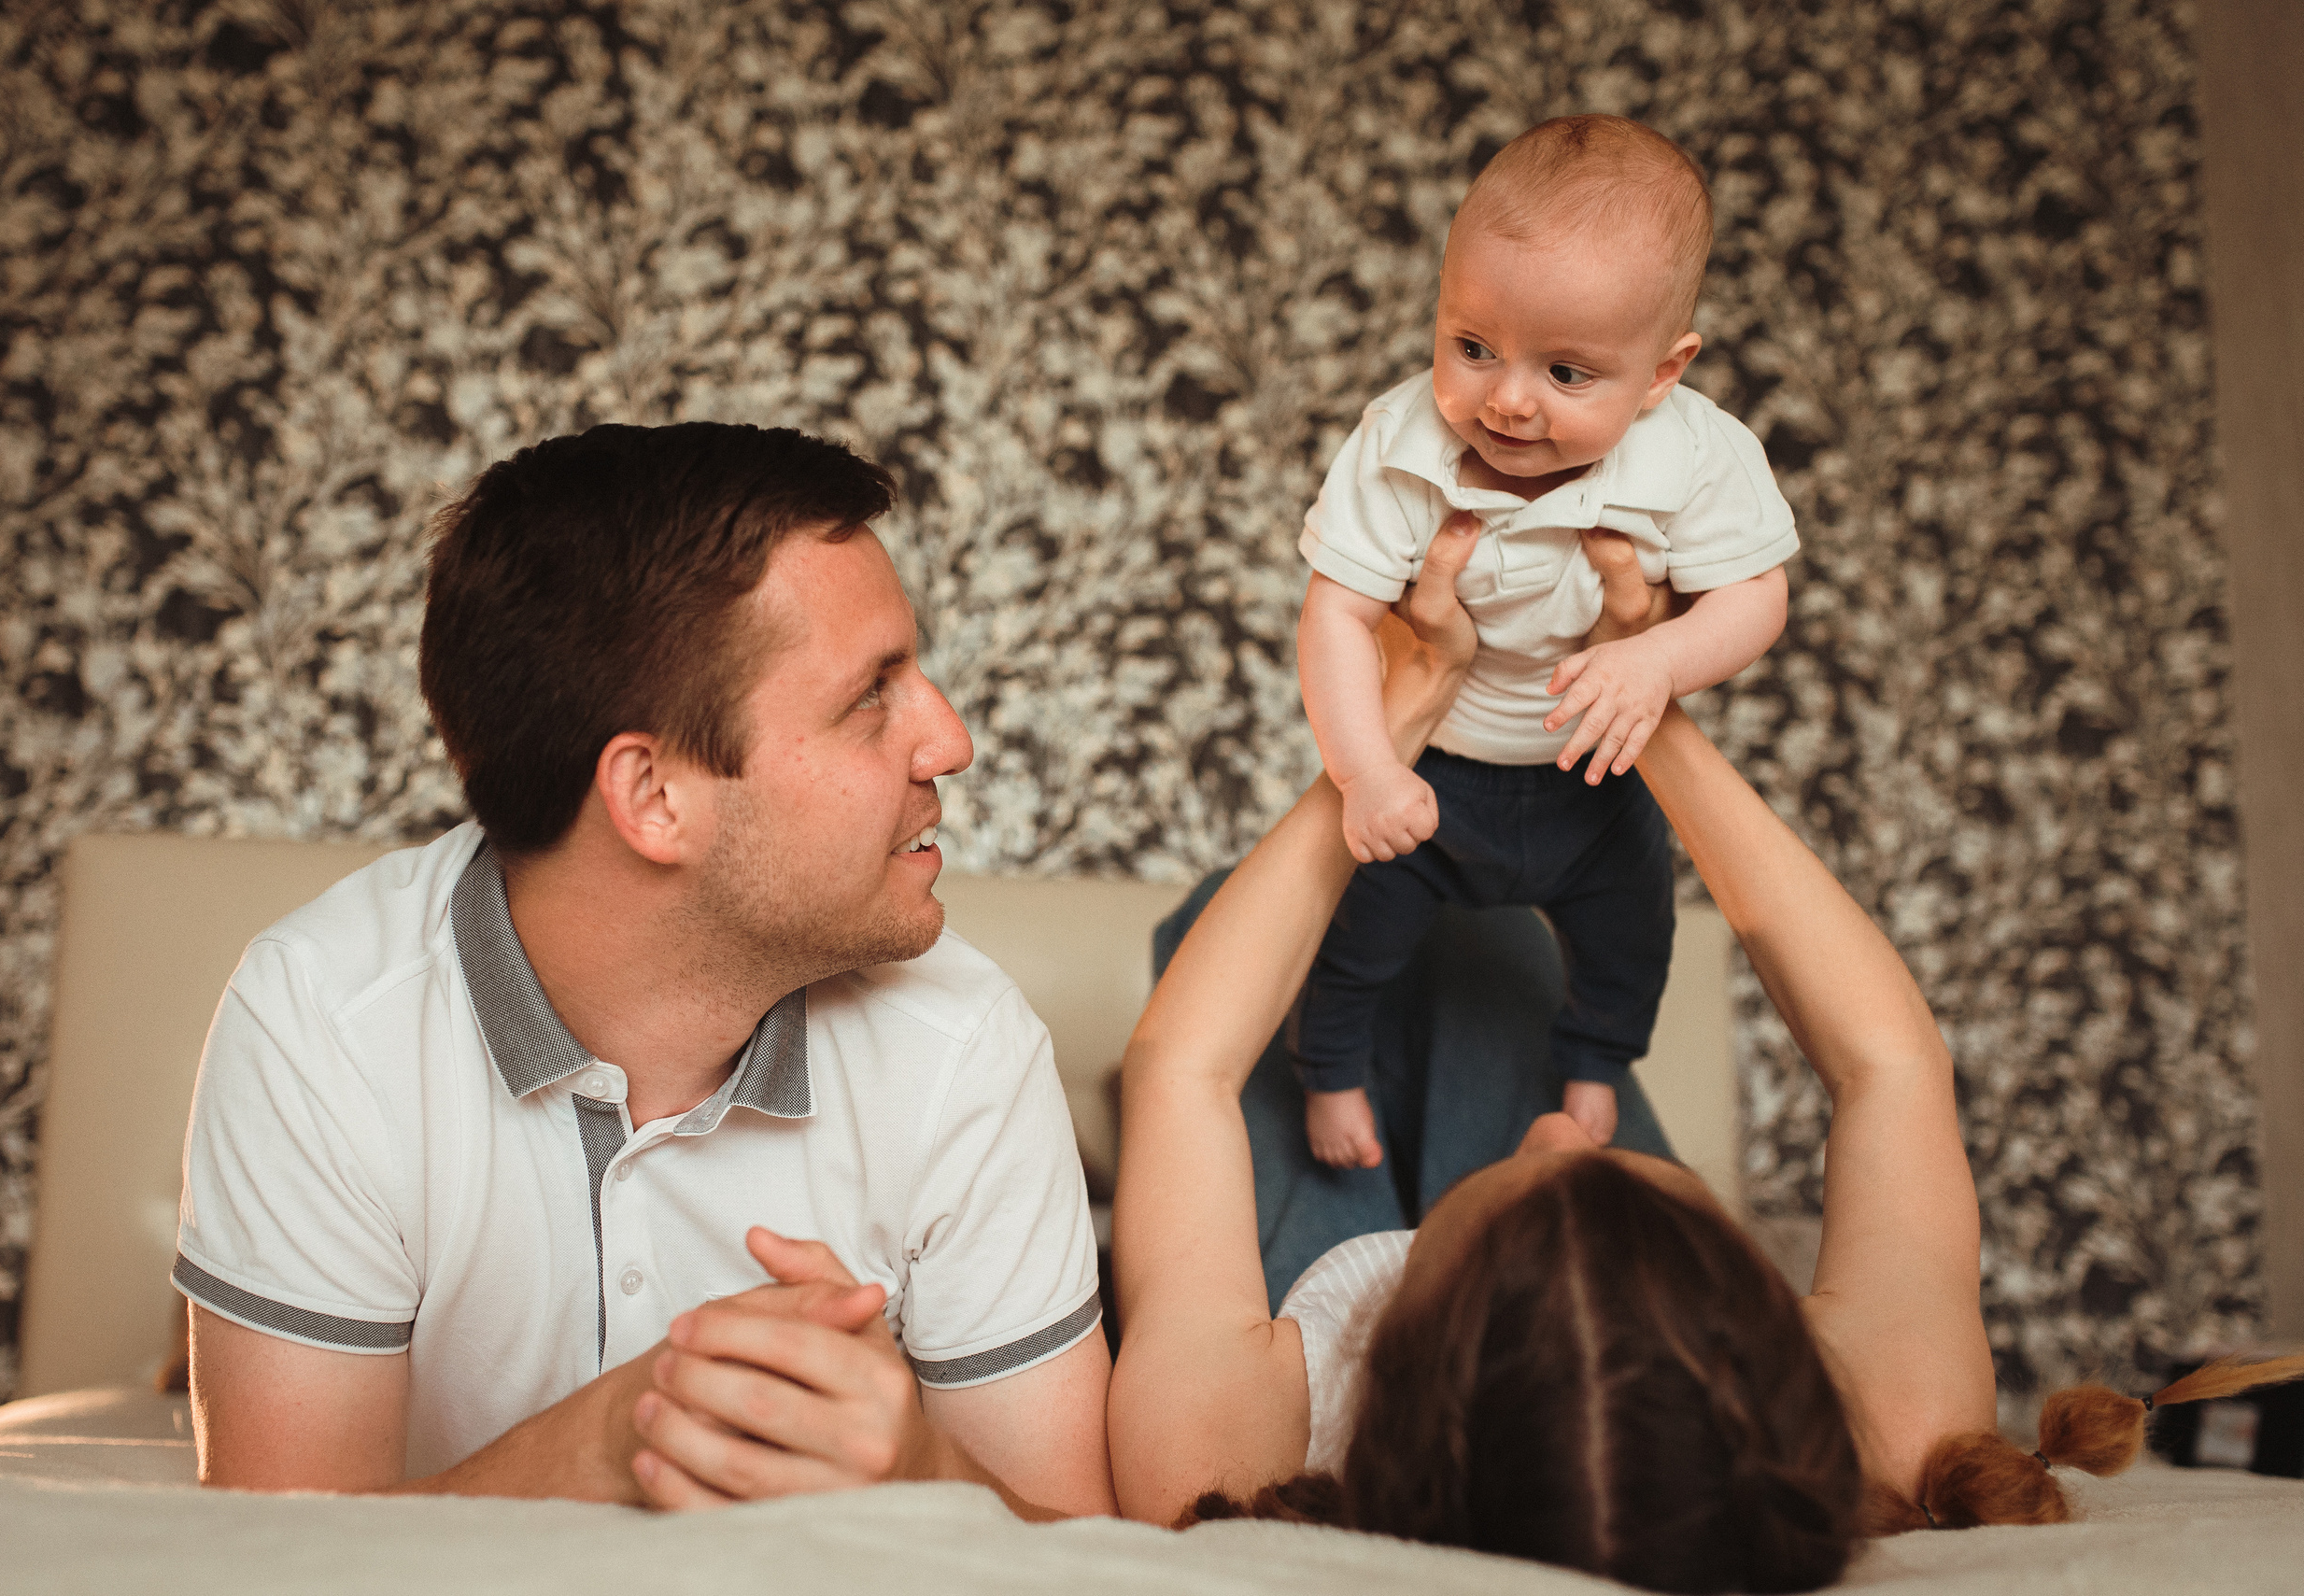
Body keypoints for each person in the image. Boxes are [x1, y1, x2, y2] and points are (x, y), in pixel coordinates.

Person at [1110, 525, 2302, 1587]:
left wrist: (1406, 712)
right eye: (1609, 1156)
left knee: (1241, 931)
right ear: (1766, 1322)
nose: (1554, 1123)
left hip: (1323, 1334)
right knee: (1494, 953)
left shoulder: (1228, 1449)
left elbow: (1185, 1064)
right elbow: (1887, 1060)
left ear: (1398, 1343)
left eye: (1514, 1165)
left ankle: (1372, 969)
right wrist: (1643, 700)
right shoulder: (1878, 1425)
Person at [174, 422, 1113, 1518]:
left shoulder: (966, 1046)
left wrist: (923, 1469)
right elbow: (273, 1566)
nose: (947, 739)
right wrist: (610, 1443)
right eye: (871, 693)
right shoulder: (322, 1021)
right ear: (653, 796)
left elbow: (1078, 1557)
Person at [1291, 114, 1795, 1170]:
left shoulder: (1694, 456)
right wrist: (1365, 767)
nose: (1507, 399)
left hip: (1592, 771)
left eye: (1567, 374)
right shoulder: (1398, 445)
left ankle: (1594, 1062)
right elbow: (1334, 612)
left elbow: (1754, 597)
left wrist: (1655, 658)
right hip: (1441, 766)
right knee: (1355, 933)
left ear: (1662, 374)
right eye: (1470, 347)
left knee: (1629, 938)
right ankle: (1330, 1068)